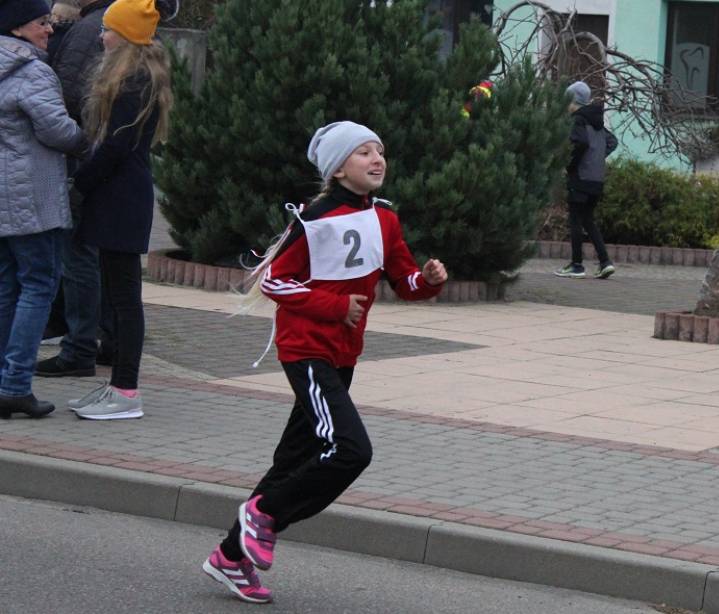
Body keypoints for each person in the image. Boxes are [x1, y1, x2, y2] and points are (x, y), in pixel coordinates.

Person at [201, 122, 447, 604]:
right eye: (363, 153)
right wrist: (334, 307)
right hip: (306, 350)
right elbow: (272, 281)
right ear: (338, 168)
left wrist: (431, 279)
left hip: (343, 355)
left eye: (380, 150)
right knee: (351, 450)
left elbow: (406, 282)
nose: (377, 159)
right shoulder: (314, 219)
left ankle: (231, 557)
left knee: (293, 458)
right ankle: (265, 514)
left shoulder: (384, 220)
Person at [38, 0, 176, 377]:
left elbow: (115, 146)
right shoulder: (136, 76)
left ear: (127, 36)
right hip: (120, 193)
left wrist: (81, 182)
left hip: (120, 196)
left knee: (125, 297)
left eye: (109, 30)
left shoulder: (132, 82)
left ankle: (124, 387)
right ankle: (120, 383)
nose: (101, 33)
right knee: (121, 292)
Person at [0, 0, 87, 419]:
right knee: (39, 286)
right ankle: (15, 384)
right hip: (31, 198)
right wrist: (85, 136)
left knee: (6, 288)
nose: (49, 29)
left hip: (3, 199)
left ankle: (2, 381)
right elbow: (57, 130)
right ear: (17, 28)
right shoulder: (33, 71)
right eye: (41, 22)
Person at [555, 80, 618, 280]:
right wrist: (596, 159)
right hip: (596, 179)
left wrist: (569, 165)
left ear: (574, 101)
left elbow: (580, 143)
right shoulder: (597, 121)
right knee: (588, 220)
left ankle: (576, 265)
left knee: (575, 220)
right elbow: (611, 142)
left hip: (580, 178)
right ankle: (605, 262)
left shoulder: (578, 119)